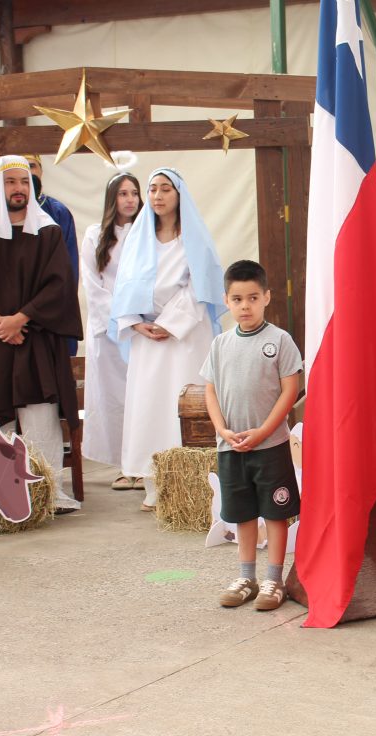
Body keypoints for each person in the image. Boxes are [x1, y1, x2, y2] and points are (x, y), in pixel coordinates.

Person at [0, 155, 82, 513]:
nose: (19, 188)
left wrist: (20, 319)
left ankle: (47, 491)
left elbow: (59, 285)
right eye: (10, 182)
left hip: (35, 339)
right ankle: (2, 494)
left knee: (40, 414)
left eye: (23, 181)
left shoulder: (48, 232)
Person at [109, 167, 225, 512]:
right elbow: (124, 286)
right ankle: (154, 482)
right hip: (147, 339)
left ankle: (195, 481)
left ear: (179, 195)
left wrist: (170, 323)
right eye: (153, 189)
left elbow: (200, 287)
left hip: (184, 336)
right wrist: (135, 322)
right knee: (149, 405)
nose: (158, 196)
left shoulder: (195, 239)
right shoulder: (137, 239)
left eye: (165, 189)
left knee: (184, 403)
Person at [202, 259, 302, 610]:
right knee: (243, 514)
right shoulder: (220, 344)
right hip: (232, 447)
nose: (245, 306)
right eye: (237, 299)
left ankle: (274, 579)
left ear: (267, 298)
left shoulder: (279, 340)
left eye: (253, 298)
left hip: (270, 446)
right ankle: (247, 576)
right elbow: (210, 390)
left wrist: (263, 431)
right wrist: (221, 430)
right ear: (227, 301)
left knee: (274, 513)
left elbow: (290, 391)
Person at [80, 172, 142, 491]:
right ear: (112, 199)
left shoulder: (148, 233)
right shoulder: (95, 235)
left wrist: (136, 317)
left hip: (140, 328)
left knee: (140, 397)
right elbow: (92, 283)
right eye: (123, 193)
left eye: (134, 193)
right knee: (113, 400)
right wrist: (118, 316)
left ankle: (143, 463)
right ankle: (122, 466)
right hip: (108, 330)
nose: (130, 199)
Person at [26, 155, 80, 357]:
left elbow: (68, 267)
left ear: (40, 170)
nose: (28, 173)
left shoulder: (57, 212)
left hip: (52, 309)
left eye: (31, 166)